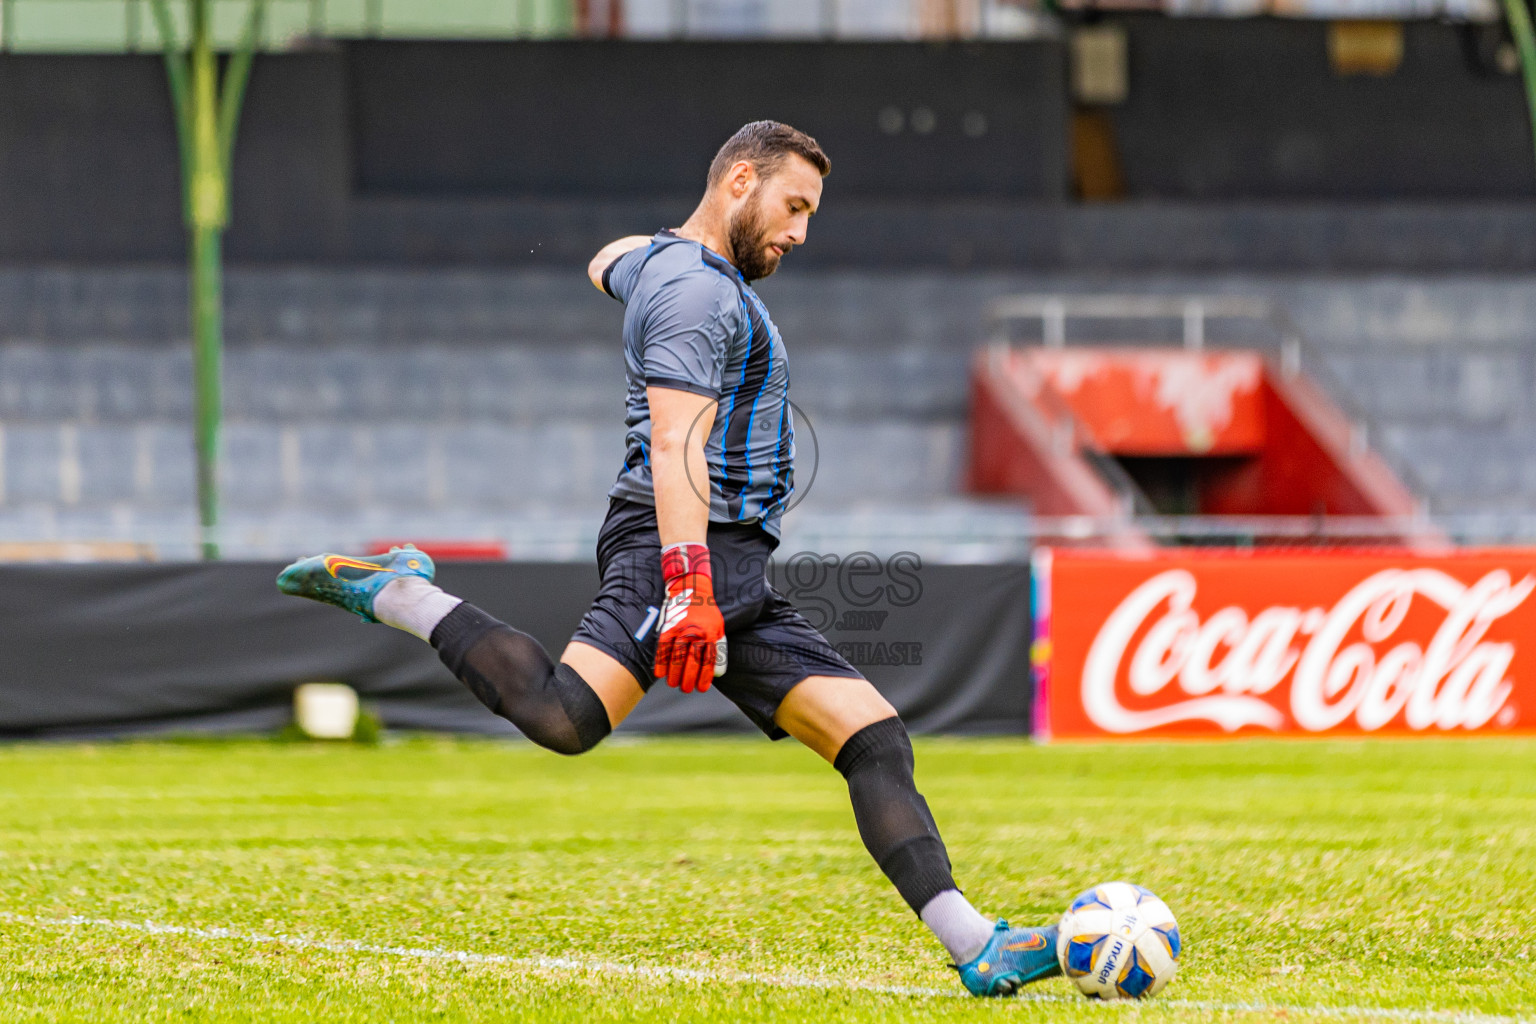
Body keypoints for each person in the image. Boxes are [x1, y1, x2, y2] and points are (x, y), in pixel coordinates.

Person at [277, 120, 1061, 997]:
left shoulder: (669, 268)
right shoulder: (699, 295)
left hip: (733, 566)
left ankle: (976, 946)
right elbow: (677, 444)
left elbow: (603, 259)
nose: (800, 232)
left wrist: (649, 257)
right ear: (738, 182)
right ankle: (402, 594)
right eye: (793, 206)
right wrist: (688, 586)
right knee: (564, 717)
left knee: (873, 739)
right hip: (677, 547)